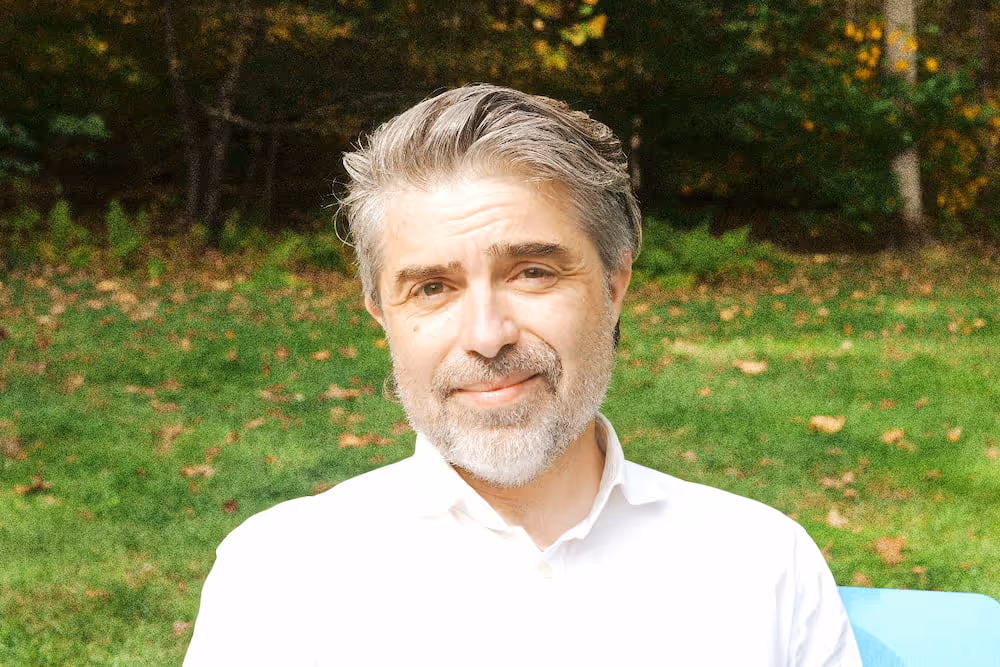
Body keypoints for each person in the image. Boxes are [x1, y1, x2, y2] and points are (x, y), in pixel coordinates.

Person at [184, 84, 862, 666]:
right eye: (432, 288)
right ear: (382, 315)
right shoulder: (276, 578)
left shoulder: (764, 564)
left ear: (614, 285)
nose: (487, 335)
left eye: (532, 272)